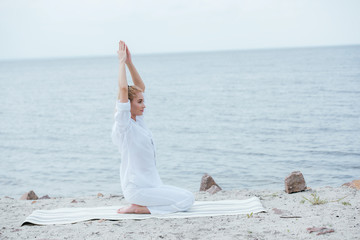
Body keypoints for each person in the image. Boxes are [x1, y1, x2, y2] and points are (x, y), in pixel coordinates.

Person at [111, 40, 195, 214]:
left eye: (143, 101)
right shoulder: (124, 125)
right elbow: (123, 89)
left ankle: (140, 207)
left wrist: (129, 62)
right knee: (187, 200)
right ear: (128, 104)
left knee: (188, 195)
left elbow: (140, 87)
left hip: (151, 186)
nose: (144, 105)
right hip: (137, 189)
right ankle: (138, 209)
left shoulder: (138, 121)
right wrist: (120, 62)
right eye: (140, 102)